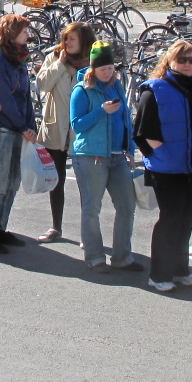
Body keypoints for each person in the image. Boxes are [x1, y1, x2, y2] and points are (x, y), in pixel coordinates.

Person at [134, 40, 192, 290]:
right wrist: (167, 154)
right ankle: (159, 275)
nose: (189, 65)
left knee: (186, 218)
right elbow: (143, 133)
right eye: (183, 60)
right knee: (170, 219)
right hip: (167, 169)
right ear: (170, 62)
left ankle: (181, 269)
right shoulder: (155, 90)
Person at [71, 41, 140, 273]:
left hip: (117, 156)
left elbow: (126, 119)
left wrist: (130, 148)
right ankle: (94, 256)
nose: (108, 72)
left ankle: (122, 256)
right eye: (103, 69)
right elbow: (77, 125)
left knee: (127, 205)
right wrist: (101, 111)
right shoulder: (82, 90)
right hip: (91, 157)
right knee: (92, 208)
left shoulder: (117, 86)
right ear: (93, 69)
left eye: (111, 68)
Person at [0, 14, 38, 253]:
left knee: (13, 182)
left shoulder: (21, 58)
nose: (28, 35)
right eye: (24, 31)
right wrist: (23, 127)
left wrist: (30, 125)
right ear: (11, 32)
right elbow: (5, 97)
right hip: (4, 126)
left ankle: (0, 227)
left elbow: (26, 96)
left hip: (20, 125)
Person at [36, 22, 93, 244]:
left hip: (82, 129)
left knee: (85, 183)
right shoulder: (55, 57)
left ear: (84, 41)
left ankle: (87, 233)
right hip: (57, 126)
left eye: (73, 39)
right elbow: (42, 84)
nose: (67, 43)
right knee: (56, 179)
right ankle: (55, 227)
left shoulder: (93, 62)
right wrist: (59, 65)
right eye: (66, 38)